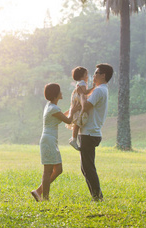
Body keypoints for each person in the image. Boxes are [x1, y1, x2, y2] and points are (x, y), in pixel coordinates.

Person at [31, 83, 80, 202]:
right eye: (60, 91)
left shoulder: (51, 106)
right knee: (48, 170)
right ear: (55, 95)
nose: (61, 93)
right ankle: (44, 198)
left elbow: (62, 116)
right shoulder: (53, 108)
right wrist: (73, 110)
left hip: (50, 140)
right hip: (48, 140)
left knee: (58, 169)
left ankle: (38, 191)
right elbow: (68, 120)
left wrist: (72, 109)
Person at [79, 63, 113, 201]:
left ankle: (97, 196)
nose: (94, 75)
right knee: (86, 167)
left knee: (88, 167)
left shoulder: (99, 90)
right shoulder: (102, 90)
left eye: (96, 73)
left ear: (103, 75)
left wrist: (81, 95)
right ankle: (96, 195)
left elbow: (86, 106)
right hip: (91, 132)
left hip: (89, 132)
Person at [65, 66, 95, 151]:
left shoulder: (79, 83)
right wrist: (93, 88)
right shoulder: (82, 83)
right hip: (78, 101)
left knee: (77, 123)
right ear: (82, 76)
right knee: (77, 123)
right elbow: (84, 92)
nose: (87, 76)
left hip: (76, 100)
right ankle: (74, 139)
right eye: (86, 74)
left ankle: (73, 138)